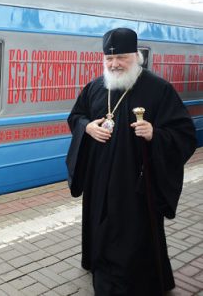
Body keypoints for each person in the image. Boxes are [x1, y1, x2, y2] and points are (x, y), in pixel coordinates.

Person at [65, 27, 196, 295]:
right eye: (109, 58)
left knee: (134, 236)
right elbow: (76, 116)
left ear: (136, 57)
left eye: (121, 57)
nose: (114, 64)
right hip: (99, 178)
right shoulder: (95, 87)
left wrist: (155, 134)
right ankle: (101, 269)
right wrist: (87, 127)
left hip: (135, 181)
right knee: (100, 227)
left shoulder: (159, 89)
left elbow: (184, 133)